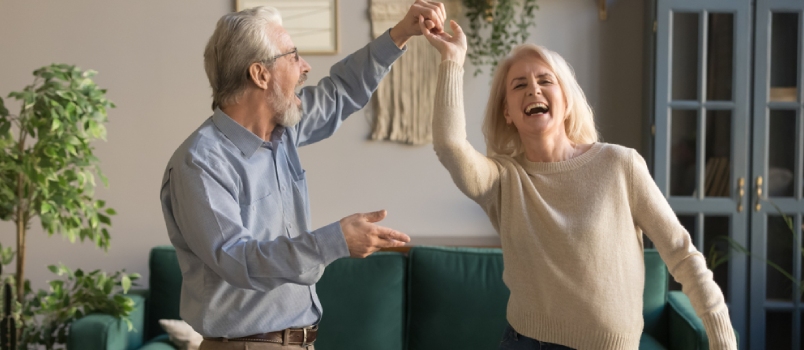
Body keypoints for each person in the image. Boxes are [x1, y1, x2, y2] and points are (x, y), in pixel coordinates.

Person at [419, 19, 738, 350]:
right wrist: (452, 60)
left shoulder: (619, 165)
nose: (534, 89)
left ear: (566, 100)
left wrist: (722, 338)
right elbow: (450, 145)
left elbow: (681, 253)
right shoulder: (502, 181)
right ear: (508, 113)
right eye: (518, 85)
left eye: (545, 80)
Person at [159, 2, 446, 349]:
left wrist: (401, 33)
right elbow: (237, 260)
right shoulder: (200, 163)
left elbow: (341, 91)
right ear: (260, 75)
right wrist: (335, 241)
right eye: (293, 56)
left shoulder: (282, 132)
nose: (305, 66)